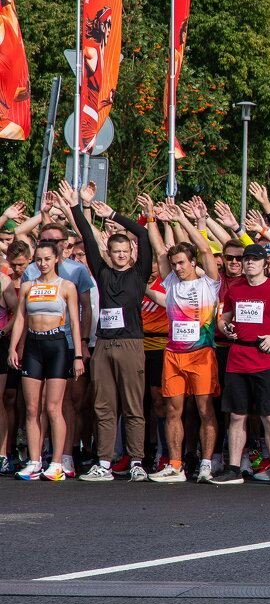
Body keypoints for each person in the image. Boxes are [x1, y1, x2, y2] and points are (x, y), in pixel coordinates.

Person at [66, 186, 152, 482]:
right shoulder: (101, 272)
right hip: (103, 343)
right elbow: (88, 239)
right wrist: (77, 206)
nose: (120, 256)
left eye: (124, 252)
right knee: (103, 405)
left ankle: (137, 461)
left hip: (130, 343)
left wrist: (113, 214)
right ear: (109, 253)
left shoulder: (139, 273)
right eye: (115, 252)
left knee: (133, 406)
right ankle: (103, 462)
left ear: (130, 254)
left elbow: (143, 234)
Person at [144, 201, 223, 483]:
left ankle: (205, 463)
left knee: (204, 410)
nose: (177, 267)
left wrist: (181, 221)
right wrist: (152, 217)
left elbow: (203, 248)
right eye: (174, 263)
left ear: (193, 263)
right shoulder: (171, 284)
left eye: (181, 263)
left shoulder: (209, 283)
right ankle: (175, 465)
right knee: (172, 411)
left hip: (202, 354)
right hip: (173, 355)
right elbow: (158, 250)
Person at [212, 243, 270, 485]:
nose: (249, 263)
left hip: (265, 359)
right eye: (246, 259)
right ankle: (233, 469)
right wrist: (225, 328)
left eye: (255, 259)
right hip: (238, 358)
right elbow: (224, 318)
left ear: (265, 264)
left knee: (269, 416)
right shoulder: (236, 289)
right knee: (237, 416)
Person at [8, 240, 85, 480]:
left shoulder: (67, 286)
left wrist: (78, 355)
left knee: (54, 407)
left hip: (57, 345)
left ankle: (57, 462)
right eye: (39, 259)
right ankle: (34, 461)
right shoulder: (28, 286)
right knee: (32, 409)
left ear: (56, 259)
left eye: (47, 259)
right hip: (33, 346)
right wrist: (13, 348)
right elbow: (20, 318)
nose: (42, 264)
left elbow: (74, 322)